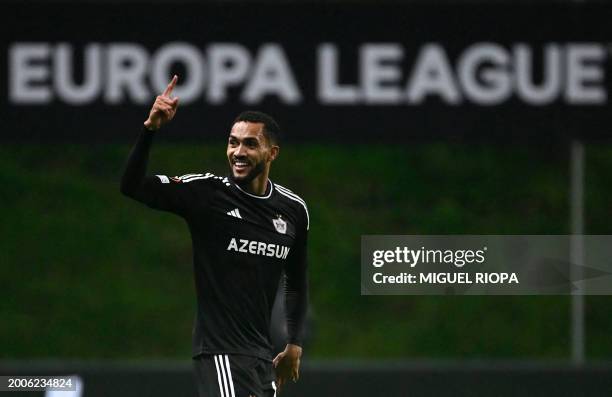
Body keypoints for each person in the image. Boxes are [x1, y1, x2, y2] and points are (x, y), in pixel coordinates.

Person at [120, 75, 309, 397]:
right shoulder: (208, 194)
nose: (238, 151)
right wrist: (150, 129)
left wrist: (293, 345)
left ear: (272, 153)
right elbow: (132, 186)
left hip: (261, 355)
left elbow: (295, 280)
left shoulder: (293, 209)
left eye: (250, 143)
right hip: (220, 352)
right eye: (233, 142)